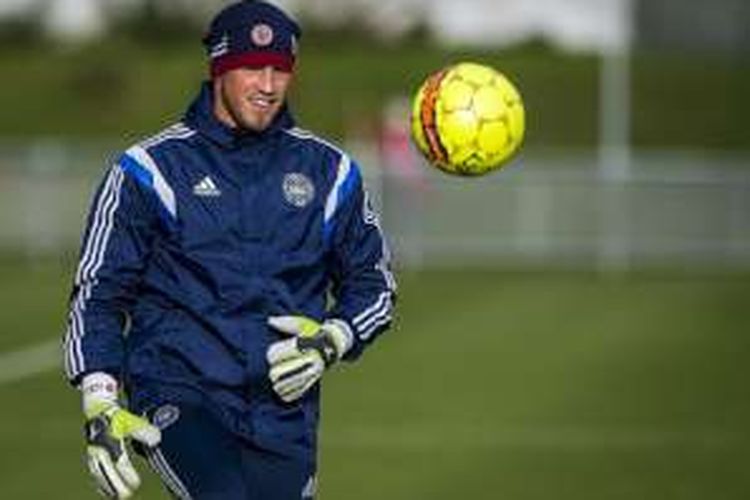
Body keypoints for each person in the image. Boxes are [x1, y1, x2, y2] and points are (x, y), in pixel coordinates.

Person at [62, 1, 397, 498]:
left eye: (281, 69)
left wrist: (335, 337)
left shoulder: (332, 173)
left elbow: (375, 286)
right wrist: (100, 402)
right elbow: (99, 292)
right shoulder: (148, 170)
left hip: (284, 415)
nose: (268, 85)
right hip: (179, 395)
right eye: (251, 68)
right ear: (218, 68)